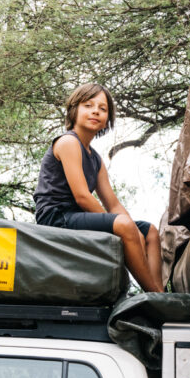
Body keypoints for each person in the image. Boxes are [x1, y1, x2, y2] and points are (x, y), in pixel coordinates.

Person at [34, 83, 165, 293]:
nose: (96, 111)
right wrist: (121, 227)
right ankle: (153, 294)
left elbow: (113, 203)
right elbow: (82, 197)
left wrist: (130, 227)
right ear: (74, 110)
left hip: (77, 216)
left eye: (103, 109)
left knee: (148, 231)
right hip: (57, 217)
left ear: (107, 120)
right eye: (88, 105)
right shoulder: (68, 142)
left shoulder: (96, 159)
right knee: (123, 225)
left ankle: (160, 291)